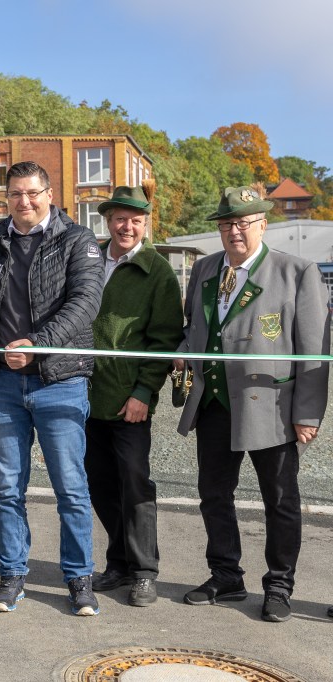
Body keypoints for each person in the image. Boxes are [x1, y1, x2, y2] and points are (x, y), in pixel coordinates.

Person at [174, 186, 329, 622]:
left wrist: (307, 413)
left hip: (273, 407)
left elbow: (314, 349)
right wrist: (185, 349)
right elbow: (194, 328)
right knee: (213, 494)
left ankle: (279, 585)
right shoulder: (204, 268)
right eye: (226, 224)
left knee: (279, 500)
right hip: (215, 402)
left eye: (243, 223)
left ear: (263, 224)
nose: (234, 231)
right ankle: (225, 575)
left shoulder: (297, 272)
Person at [0, 161, 104, 616]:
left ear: (49, 193)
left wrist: (38, 345)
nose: (24, 202)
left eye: (32, 193)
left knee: (70, 486)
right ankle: (11, 575)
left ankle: (79, 578)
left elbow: (85, 303)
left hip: (60, 381)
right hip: (4, 383)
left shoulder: (77, 240)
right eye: (15, 195)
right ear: (5, 199)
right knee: (7, 487)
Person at [84, 182, 183, 607]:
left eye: (136, 221)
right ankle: (119, 562)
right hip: (83, 393)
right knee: (99, 482)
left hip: (129, 399)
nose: (128, 227)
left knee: (135, 483)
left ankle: (145, 571)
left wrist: (144, 391)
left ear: (145, 225)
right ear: (108, 221)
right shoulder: (86, 260)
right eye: (121, 219)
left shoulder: (156, 271)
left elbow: (164, 339)